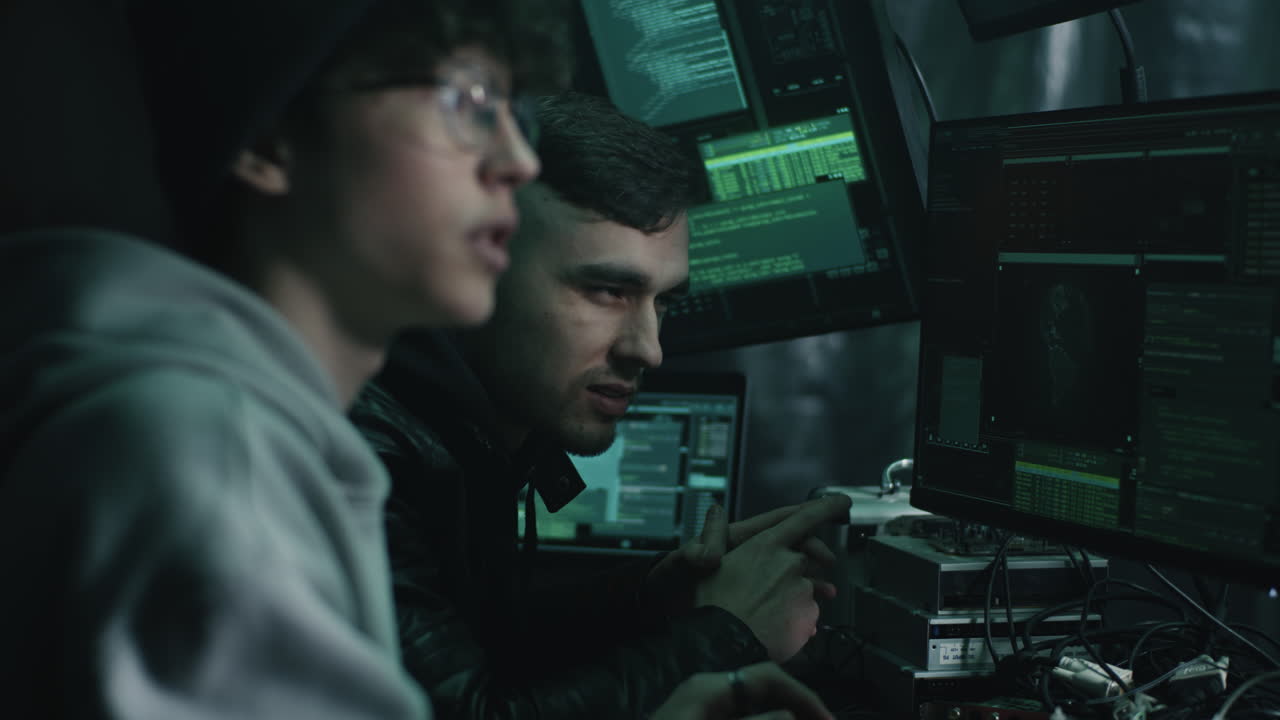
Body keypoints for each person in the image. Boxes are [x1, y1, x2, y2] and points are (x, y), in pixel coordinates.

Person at [0, 0, 560, 715]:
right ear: (267, 141)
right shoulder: (213, 451)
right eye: (468, 102)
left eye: (517, 115)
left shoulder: (234, 427)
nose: (519, 161)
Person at [351, 91, 852, 719]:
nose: (649, 349)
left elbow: (481, 649)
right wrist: (730, 631)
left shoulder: (463, 432)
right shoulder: (364, 453)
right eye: (608, 291)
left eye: (663, 302)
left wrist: (648, 603)